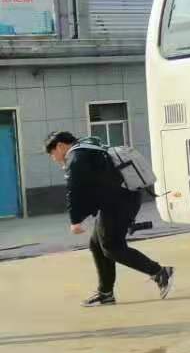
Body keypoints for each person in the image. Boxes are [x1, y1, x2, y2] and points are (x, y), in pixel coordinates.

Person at [46, 131, 173, 307]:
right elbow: (95, 185)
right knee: (97, 244)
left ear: (60, 146)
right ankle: (105, 294)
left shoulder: (75, 157)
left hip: (119, 203)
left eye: (52, 153)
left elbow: (74, 191)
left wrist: (75, 221)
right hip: (120, 200)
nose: (53, 158)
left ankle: (160, 272)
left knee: (112, 247)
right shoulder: (87, 147)